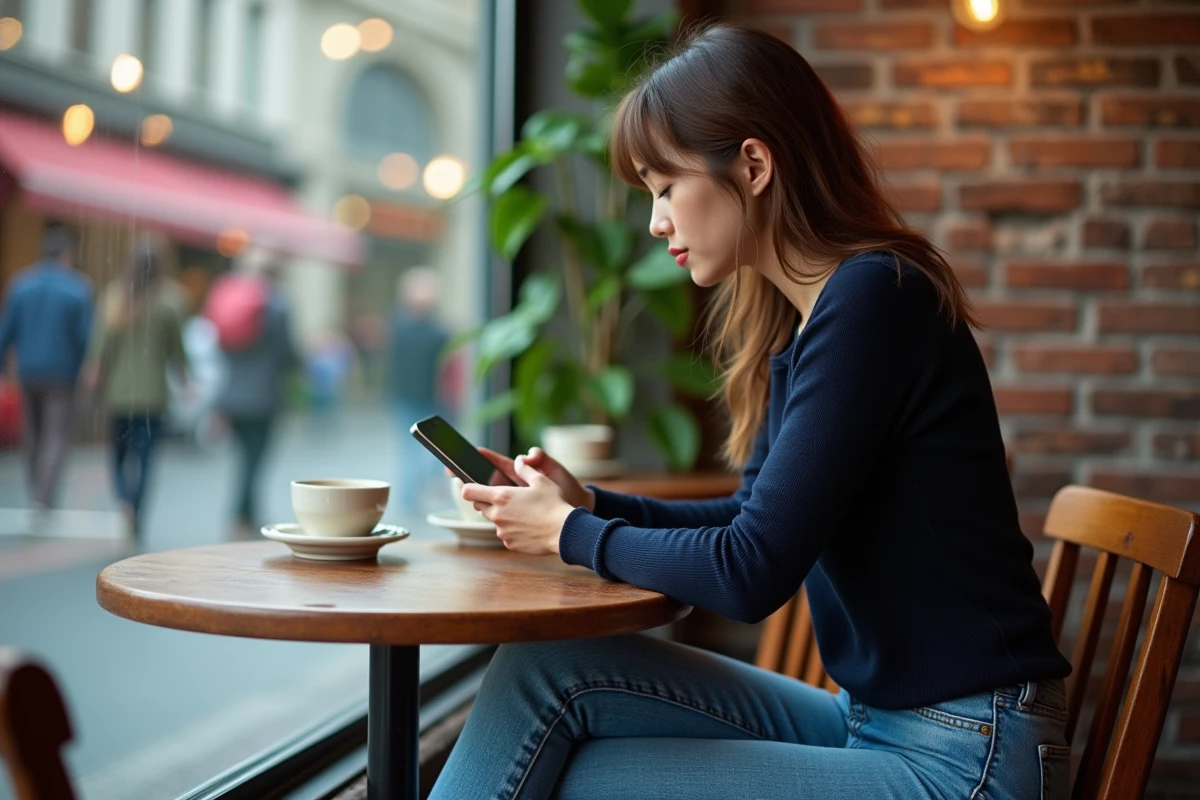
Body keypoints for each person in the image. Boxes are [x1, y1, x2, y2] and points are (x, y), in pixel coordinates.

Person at [430, 24, 1073, 800]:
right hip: (882, 720)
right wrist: (589, 503)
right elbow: (748, 516)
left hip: (965, 756)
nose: (655, 222)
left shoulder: (876, 300)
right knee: (544, 670)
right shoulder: (814, 317)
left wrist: (569, 534)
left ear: (754, 165)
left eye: (666, 188)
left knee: (573, 781)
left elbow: (749, 571)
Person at [83, 238, 188, 541]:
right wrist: (186, 380)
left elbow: (100, 347)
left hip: (119, 393)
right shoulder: (170, 301)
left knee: (117, 454)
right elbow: (177, 350)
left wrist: (92, 378)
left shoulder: (115, 297)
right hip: (153, 395)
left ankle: (123, 501)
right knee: (146, 458)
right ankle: (137, 511)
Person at [0, 227, 92, 512]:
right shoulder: (78, 288)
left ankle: (34, 489)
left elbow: (6, 331)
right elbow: (85, 338)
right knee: (55, 433)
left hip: (28, 370)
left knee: (32, 431)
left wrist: (3, 366)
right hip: (62, 373)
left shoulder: (21, 283)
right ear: (68, 255)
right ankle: (44, 495)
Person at [213, 246, 299, 539]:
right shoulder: (277, 304)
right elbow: (288, 353)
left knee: (243, 457)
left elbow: (219, 346)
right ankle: (243, 515)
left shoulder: (231, 300)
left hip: (232, 394)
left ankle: (244, 514)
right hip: (265, 396)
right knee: (255, 459)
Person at [387, 267, 453, 514]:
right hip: (428, 398)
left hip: (407, 396)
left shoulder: (397, 328)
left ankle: (409, 497)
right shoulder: (440, 332)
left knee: (409, 450)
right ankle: (421, 490)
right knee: (429, 448)